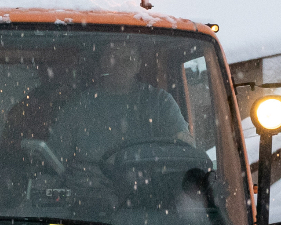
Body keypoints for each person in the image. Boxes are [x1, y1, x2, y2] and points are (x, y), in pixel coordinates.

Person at [48, 39, 192, 167]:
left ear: (138, 65)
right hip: (87, 192)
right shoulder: (79, 106)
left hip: (146, 192)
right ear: (103, 62)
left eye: (127, 61)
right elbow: (55, 159)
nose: (120, 67)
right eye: (113, 59)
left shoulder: (160, 102)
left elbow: (184, 149)